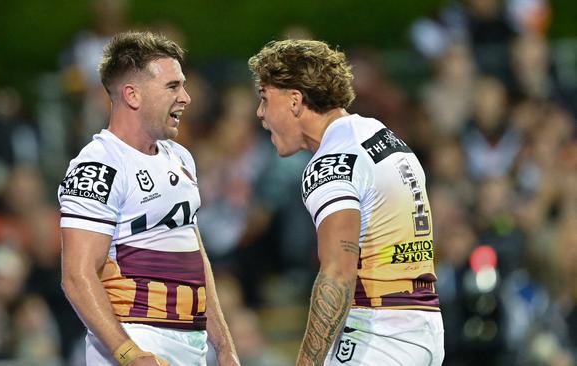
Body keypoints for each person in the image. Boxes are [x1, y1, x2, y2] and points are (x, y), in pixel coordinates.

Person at [248, 40, 444, 366]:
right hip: (424, 328)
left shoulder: (331, 163)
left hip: (377, 335)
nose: (260, 113)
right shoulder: (382, 136)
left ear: (294, 100)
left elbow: (338, 272)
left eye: (265, 99)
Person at [59, 31, 239, 366]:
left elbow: (194, 252)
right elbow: (76, 275)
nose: (185, 97)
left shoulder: (181, 157)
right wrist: (130, 354)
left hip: (192, 345)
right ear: (133, 95)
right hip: (136, 341)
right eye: (173, 86)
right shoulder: (98, 166)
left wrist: (224, 346)